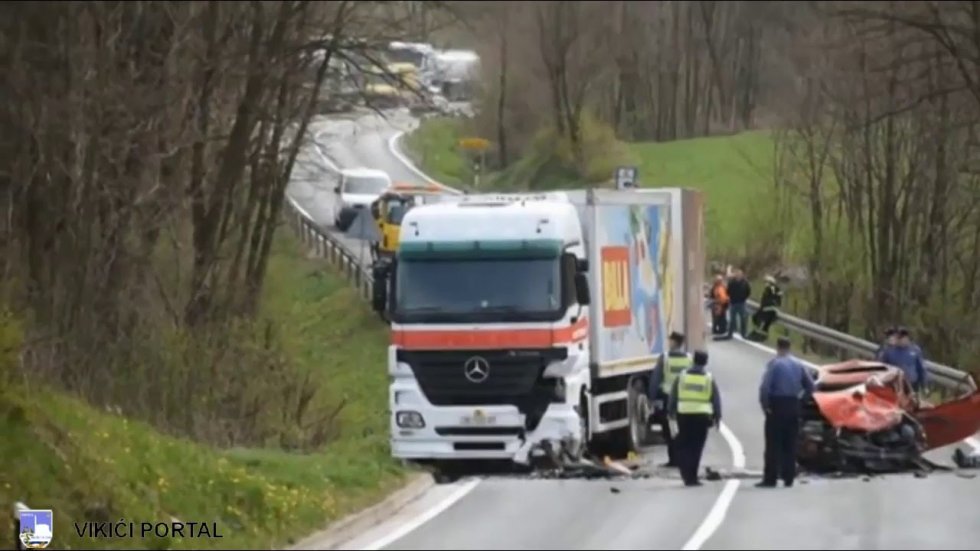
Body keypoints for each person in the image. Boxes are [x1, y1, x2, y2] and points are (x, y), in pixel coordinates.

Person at [757, 337, 814, 488]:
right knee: (790, 443)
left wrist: (765, 406)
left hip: (777, 405)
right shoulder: (798, 364)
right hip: (793, 405)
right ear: (789, 347)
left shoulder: (774, 364)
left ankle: (771, 478)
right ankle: (789, 477)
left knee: (773, 444)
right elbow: (811, 386)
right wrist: (801, 400)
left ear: (778, 347)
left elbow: (765, 388)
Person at [669, 350, 722, 487]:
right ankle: (691, 477)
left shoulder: (682, 376)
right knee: (696, 448)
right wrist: (717, 417)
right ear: (705, 362)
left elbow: (673, 395)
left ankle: (686, 472)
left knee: (684, 444)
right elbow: (716, 399)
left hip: (684, 415)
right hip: (701, 417)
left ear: (693, 360)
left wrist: (671, 411)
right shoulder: (709, 378)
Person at [648, 332, 693, 468]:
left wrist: (652, 397)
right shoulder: (689, 359)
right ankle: (684, 457)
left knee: (668, 431)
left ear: (674, 342)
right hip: (685, 399)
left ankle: (674, 459)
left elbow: (656, 379)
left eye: (670, 340)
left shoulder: (665, 358)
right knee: (683, 430)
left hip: (667, 399)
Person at [879, 327, 928, 392]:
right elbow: (883, 366)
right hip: (895, 384)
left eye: (901, 338)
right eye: (898, 338)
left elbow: (921, 368)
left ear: (906, 338)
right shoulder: (889, 351)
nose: (899, 340)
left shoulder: (915, 350)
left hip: (912, 384)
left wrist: (924, 385)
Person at [750, 275, 783, 341]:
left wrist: (763, 307)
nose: (765, 283)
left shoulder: (771, 289)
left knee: (759, 320)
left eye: (766, 282)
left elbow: (770, 299)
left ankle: (759, 335)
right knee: (764, 324)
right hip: (770, 310)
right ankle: (761, 336)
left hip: (768, 309)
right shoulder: (774, 289)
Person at [726, 269, 752, 339]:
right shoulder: (732, 282)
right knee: (732, 320)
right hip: (733, 303)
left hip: (741, 303)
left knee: (743, 319)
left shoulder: (745, 283)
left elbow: (748, 292)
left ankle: (743, 334)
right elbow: (727, 291)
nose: (738, 276)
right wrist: (731, 297)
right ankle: (730, 333)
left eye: (740, 275)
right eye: (737, 275)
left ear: (742, 275)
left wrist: (743, 298)